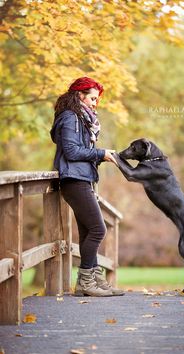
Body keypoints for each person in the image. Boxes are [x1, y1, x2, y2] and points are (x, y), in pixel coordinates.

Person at [50, 77, 124, 297]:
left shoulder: (81, 119)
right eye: (92, 98)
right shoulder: (71, 117)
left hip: (81, 179)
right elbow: (72, 152)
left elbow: (79, 150)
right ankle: (85, 280)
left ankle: (92, 277)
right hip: (74, 181)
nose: (95, 103)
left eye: (97, 99)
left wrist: (99, 155)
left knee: (87, 232)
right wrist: (101, 154)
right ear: (79, 95)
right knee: (98, 229)